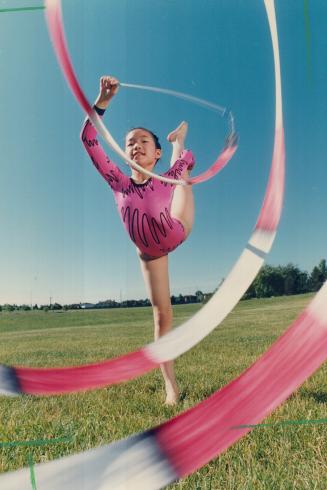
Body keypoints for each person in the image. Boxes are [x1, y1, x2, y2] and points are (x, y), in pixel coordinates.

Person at [81, 76, 195, 404]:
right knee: (162, 316)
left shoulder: (166, 174)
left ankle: (177, 140)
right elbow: (89, 139)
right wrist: (102, 100)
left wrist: (184, 158)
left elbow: (189, 163)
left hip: (177, 229)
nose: (135, 144)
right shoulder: (117, 181)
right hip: (150, 253)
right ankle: (170, 385)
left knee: (183, 179)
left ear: (156, 152)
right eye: (130, 141)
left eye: (144, 141)